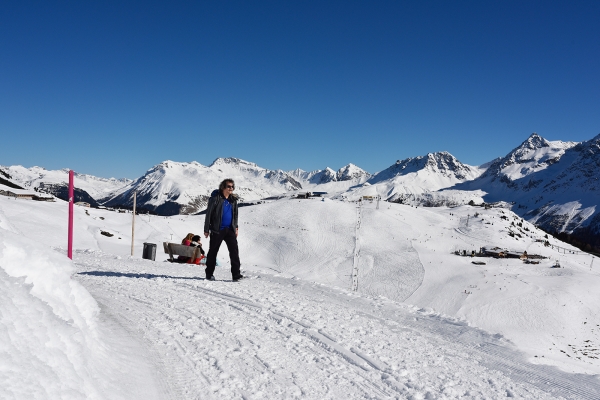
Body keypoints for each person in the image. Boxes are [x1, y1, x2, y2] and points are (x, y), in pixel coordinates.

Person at [204, 179, 243, 281]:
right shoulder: (215, 198)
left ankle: (236, 275)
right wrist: (206, 229)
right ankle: (209, 274)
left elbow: (235, 215)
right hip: (217, 230)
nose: (231, 188)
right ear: (223, 187)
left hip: (230, 229)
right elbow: (209, 214)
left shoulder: (233, 200)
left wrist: (236, 228)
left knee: (234, 252)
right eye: (229, 186)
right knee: (213, 251)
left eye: (232, 186)